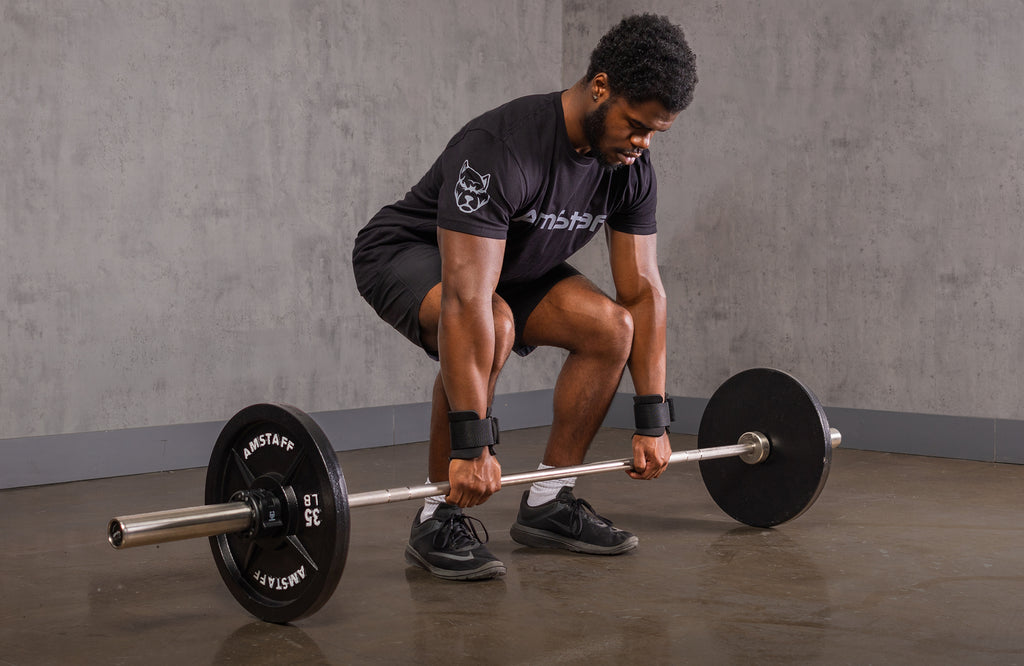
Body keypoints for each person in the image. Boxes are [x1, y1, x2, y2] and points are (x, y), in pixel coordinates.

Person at [352, 13, 697, 580]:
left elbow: (642, 291)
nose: (643, 143)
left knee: (611, 328)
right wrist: (471, 446)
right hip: (409, 250)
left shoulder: (630, 168)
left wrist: (653, 417)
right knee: (495, 321)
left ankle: (550, 500)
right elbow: (466, 300)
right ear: (601, 87)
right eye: (636, 125)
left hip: (507, 262)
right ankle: (438, 517)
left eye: (656, 132)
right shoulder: (503, 148)